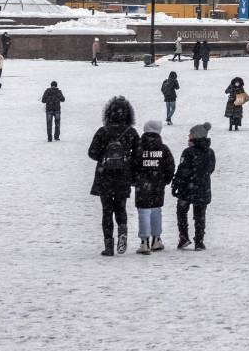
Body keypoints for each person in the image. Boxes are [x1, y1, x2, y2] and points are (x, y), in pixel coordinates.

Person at [87, 96, 141, 256]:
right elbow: (138, 154)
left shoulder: (103, 131)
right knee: (121, 208)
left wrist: (105, 158)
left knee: (106, 211)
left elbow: (92, 153)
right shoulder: (131, 132)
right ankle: (122, 233)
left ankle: (109, 245)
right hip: (123, 176)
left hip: (105, 177)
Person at [132, 119, 175, 255]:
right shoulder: (163, 148)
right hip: (158, 184)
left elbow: (131, 166)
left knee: (143, 212)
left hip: (142, 184)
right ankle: (157, 239)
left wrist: (134, 180)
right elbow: (170, 166)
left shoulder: (138, 148)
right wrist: (165, 180)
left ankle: (144, 242)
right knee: (156, 211)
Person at [172, 122, 216, 250]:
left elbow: (182, 170)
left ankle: (184, 237)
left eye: (190, 134)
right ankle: (199, 240)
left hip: (186, 188)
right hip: (203, 187)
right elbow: (211, 169)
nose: (188, 136)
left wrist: (176, 183)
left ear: (196, 136)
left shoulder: (188, 152)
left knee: (181, 211)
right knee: (200, 214)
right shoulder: (210, 152)